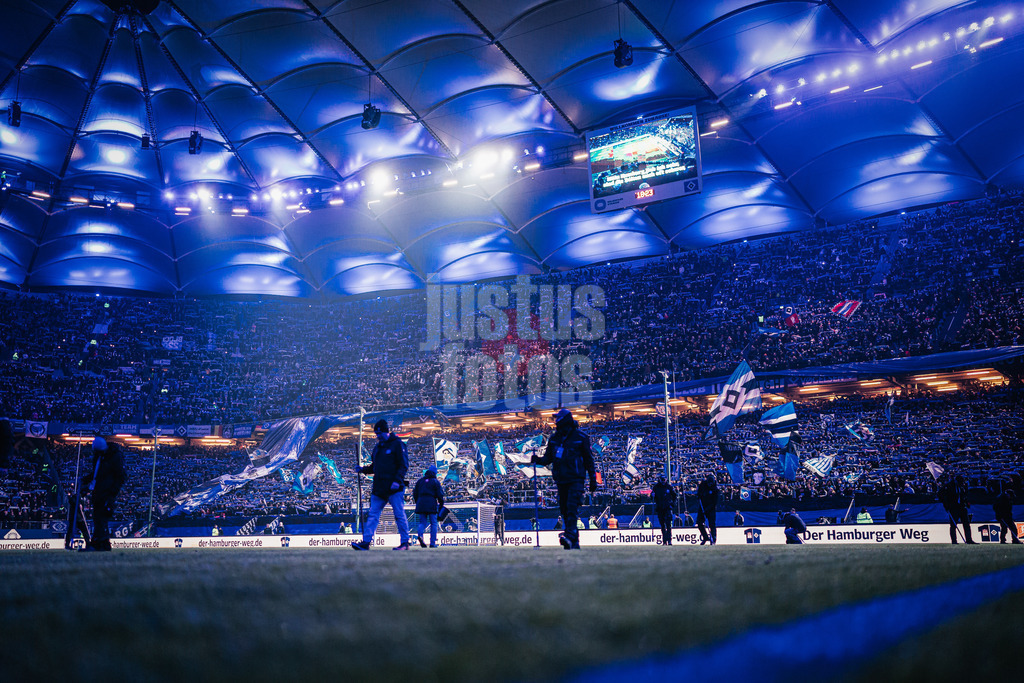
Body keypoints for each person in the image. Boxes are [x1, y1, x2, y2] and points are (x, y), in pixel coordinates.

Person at [531, 408, 598, 549]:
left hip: (576, 478)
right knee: (564, 510)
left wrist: (593, 479)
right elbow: (548, 459)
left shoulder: (581, 437)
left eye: (558, 419)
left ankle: (569, 536)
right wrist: (537, 459)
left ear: (565, 420)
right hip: (561, 479)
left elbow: (588, 460)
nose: (555, 422)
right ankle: (574, 541)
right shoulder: (554, 439)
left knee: (572, 507)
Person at [351, 419, 411, 551]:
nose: (378, 436)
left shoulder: (397, 444)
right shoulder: (377, 447)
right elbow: (374, 467)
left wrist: (397, 481)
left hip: (394, 488)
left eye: (380, 433)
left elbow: (403, 465)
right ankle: (366, 542)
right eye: (376, 434)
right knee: (373, 515)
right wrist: (362, 470)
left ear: (386, 431)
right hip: (379, 488)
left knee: (399, 514)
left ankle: (405, 542)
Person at [79, 437, 125, 552]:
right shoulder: (100, 457)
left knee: (101, 518)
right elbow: (97, 474)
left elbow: (121, 476)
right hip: (99, 491)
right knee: (98, 518)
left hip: (106, 492)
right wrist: (85, 480)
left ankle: (100, 544)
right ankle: (102, 544)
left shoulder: (113, 457)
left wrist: (112, 493)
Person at [412, 465, 444, 548]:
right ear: (435, 473)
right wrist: (441, 503)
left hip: (421, 503)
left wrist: (417, 502)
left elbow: (415, 493)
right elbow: (440, 494)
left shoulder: (420, 481)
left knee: (422, 522)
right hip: (431, 503)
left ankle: (420, 535)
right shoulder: (435, 481)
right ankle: (432, 543)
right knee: (433, 523)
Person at [937, 473, 975, 544]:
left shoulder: (962, 487)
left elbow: (964, 495)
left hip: (962, 507)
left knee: (966, 524)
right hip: (953, 508)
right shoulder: (949, 486)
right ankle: (954, 541)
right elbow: (940, 494)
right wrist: (946, 505)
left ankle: (969, 539)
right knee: (953, 525)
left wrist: (966, 503)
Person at [652, 475, 677, 545]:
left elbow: (675, 496)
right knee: (662, 525)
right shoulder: (656, 487)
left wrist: (672, 504)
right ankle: (664, 540)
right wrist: (652, 495)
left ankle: (669, 540)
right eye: (662, 480)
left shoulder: (669, 487)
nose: (663, 481)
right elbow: (652, 496)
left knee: (668, 524)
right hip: (660, 508)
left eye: (664, 480)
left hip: (667, 508)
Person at [696, 474, 719, 545]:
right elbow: (699, 493)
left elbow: (715, 502)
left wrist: (707, 509)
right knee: (699, 523)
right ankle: (705, 537)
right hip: (702, 507)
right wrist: (698, 495)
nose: (710, 485)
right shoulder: (703, 485)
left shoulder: (716, 489)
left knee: (712, 524)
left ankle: (713, 540)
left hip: (711, 509)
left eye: (711, 484)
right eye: (709, 483)